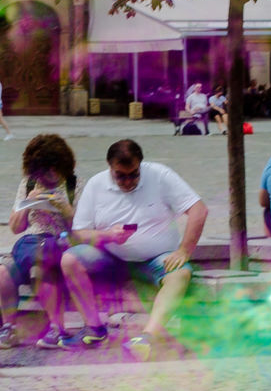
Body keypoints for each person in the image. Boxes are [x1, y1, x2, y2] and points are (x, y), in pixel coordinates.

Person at [60, 139, 207, 361]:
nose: (128, 182)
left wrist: (184, 251)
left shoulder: (160, 175)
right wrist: (107, 235)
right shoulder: (96, 184)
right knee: (70, 260)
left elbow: (199, 210)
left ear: (140, 165)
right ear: (110, 168)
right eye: (121, 176)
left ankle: (148, 336)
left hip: (157, 257)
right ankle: (94, 329)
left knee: (181, 273)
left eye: (134, 175)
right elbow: (80, 232)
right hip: (110, 257)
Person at [0, 134, 85, 350]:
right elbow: (16, 228)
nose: (49, 177)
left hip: (63, 243)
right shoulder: (29, 184)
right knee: (5, 271)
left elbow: (83, 231)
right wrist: (28, 203)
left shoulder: (76, 185)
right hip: (31, 243)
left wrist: (67, 211)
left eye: (53, 171)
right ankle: (9, 328)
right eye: (43, 173)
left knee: (43, 265)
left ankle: (57, 328)